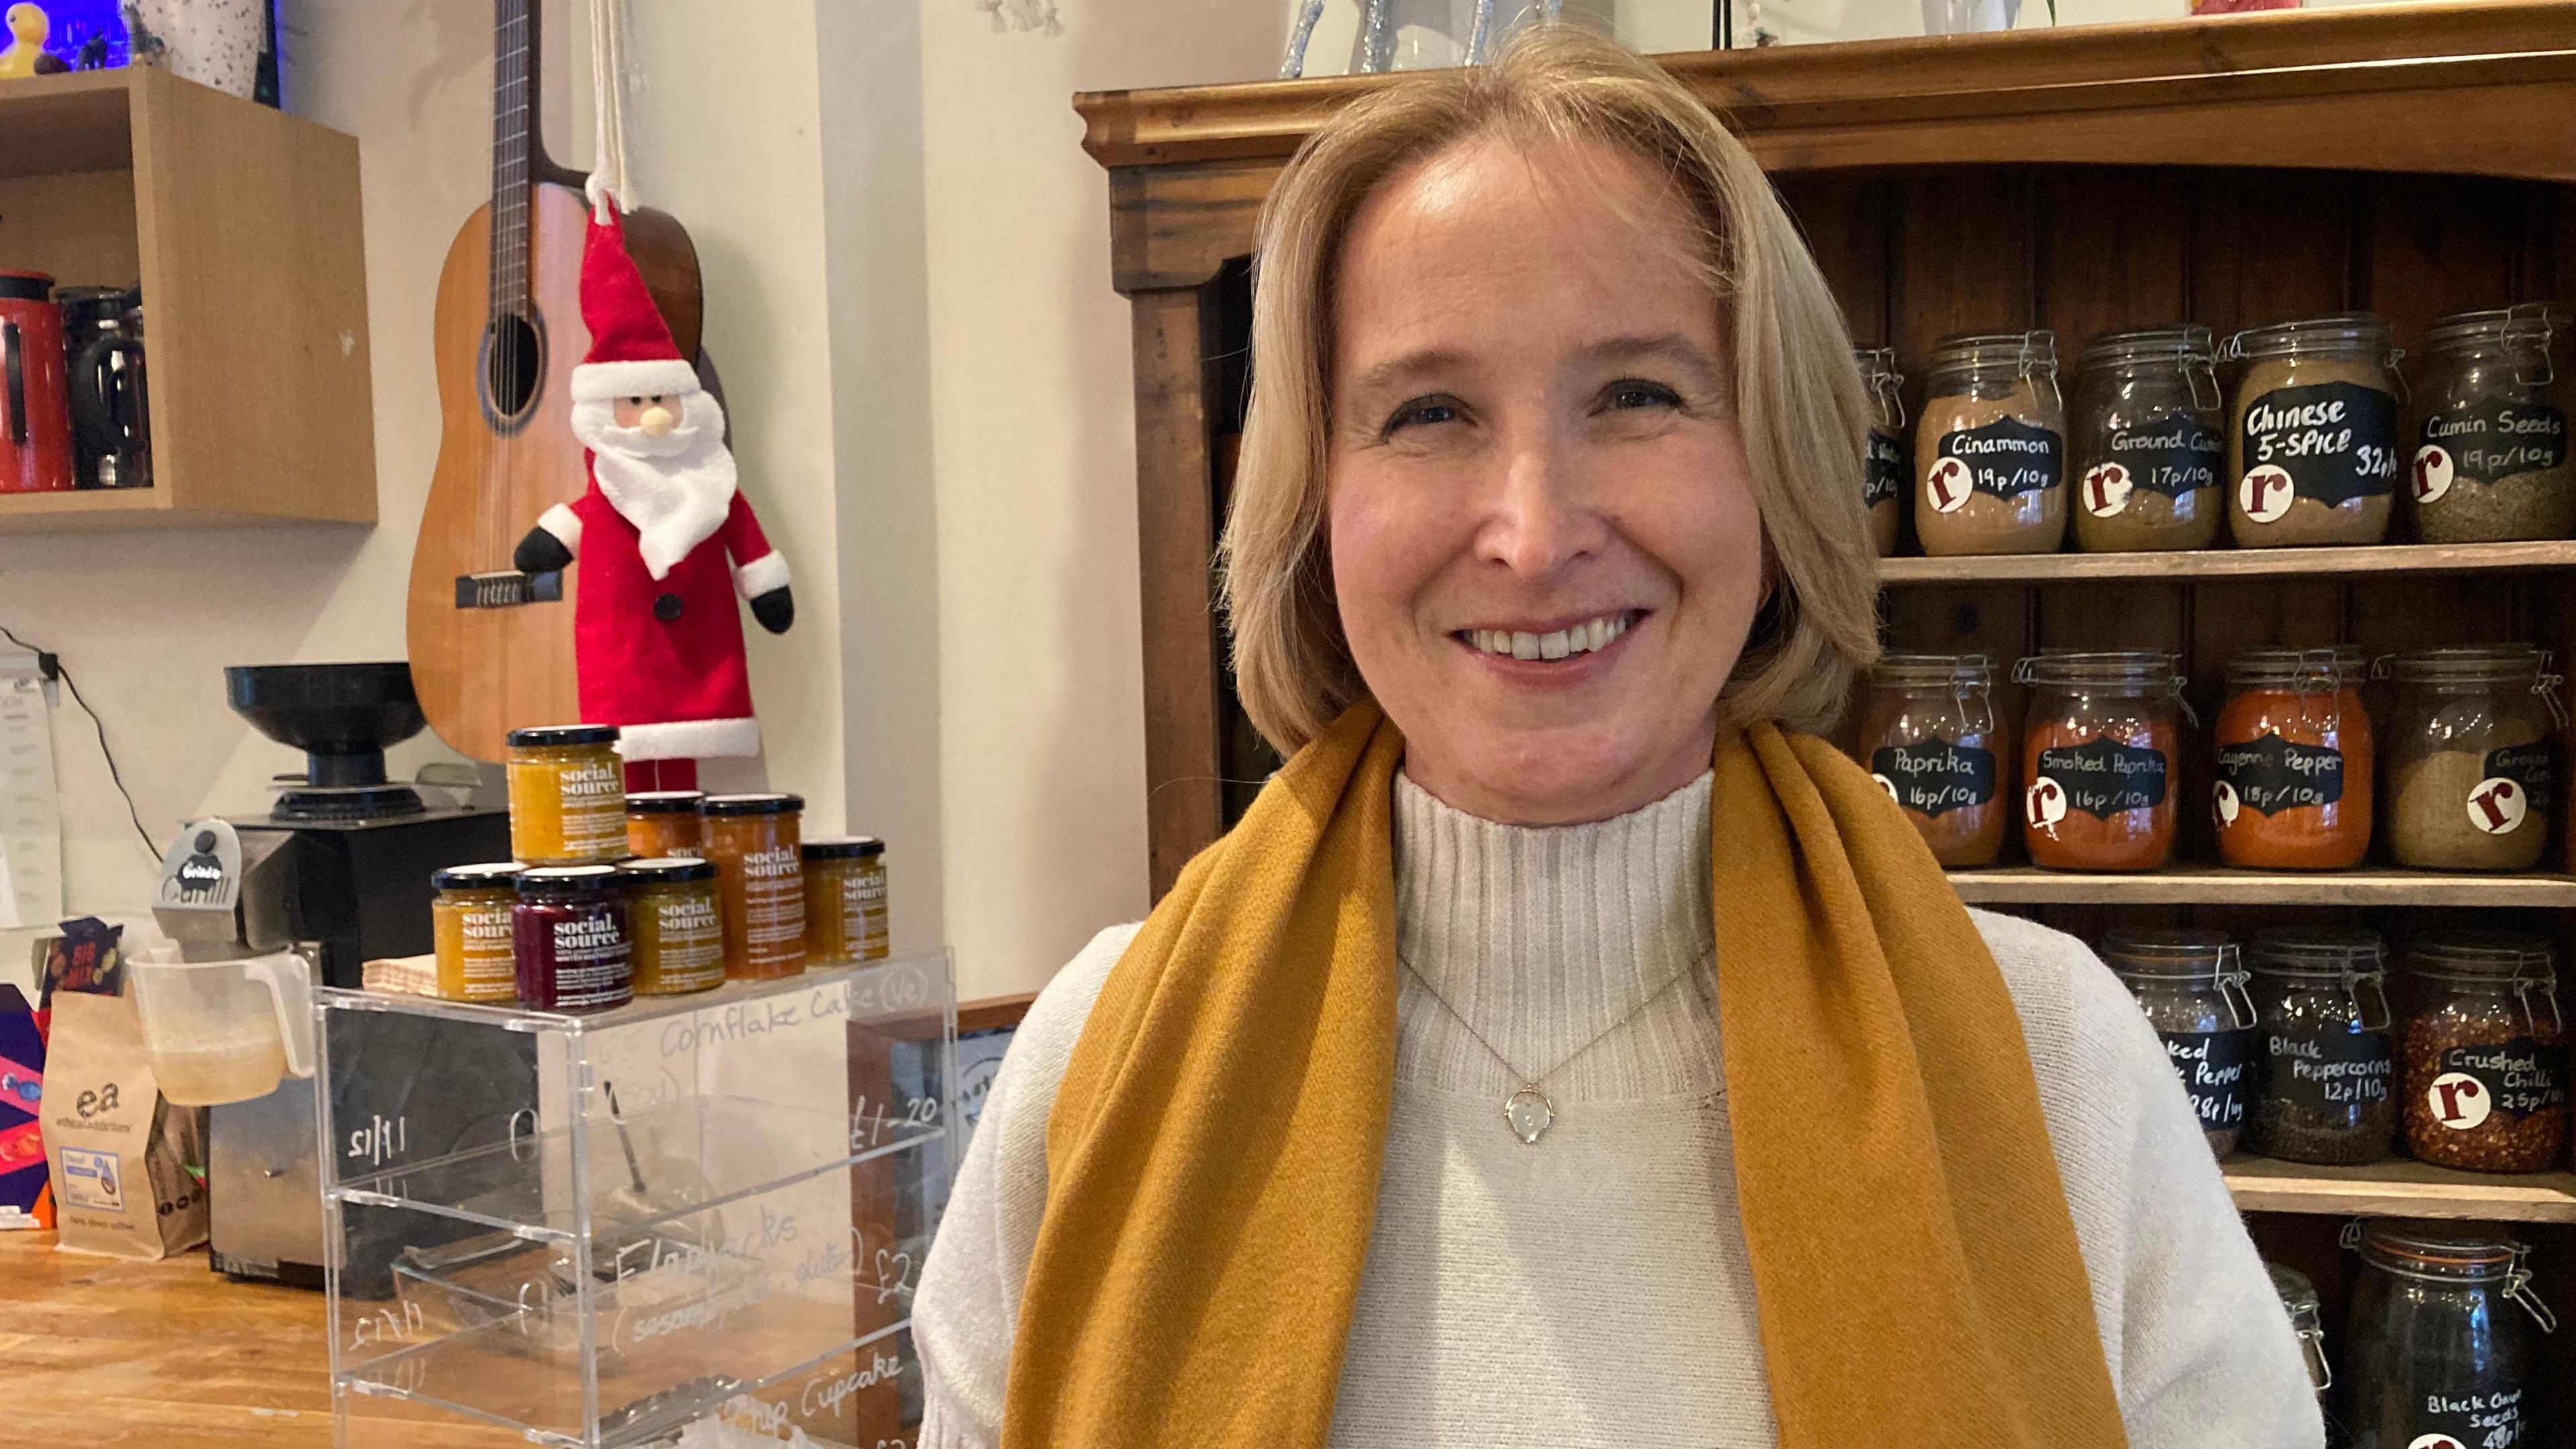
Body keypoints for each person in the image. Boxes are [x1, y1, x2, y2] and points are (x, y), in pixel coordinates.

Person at [914, 23, 2318, 1449]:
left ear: (1777, 466)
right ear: (1312, 505)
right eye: (1429, 411)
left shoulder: (2061, 1065)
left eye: (1638, 395)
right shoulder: (1095, 1063)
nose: (1533, 536)